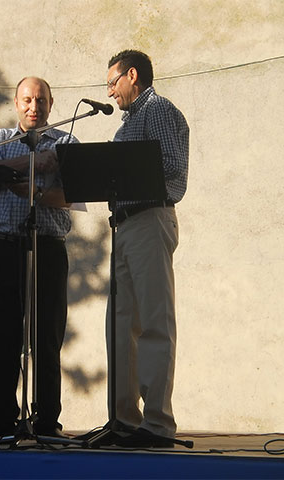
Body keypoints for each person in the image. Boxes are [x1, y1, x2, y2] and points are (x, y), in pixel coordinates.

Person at [0, 76, 77, 438]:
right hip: (5, 248)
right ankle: (2, 422)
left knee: (48, 339)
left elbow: (72, 196)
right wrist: (42, 161)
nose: (34, 107)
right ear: (16, 103)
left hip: (49, 247)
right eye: (27, 100)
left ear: (51, 104)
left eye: (41, 100)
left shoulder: (67, 142)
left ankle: (48, 422)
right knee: (2, 339)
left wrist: (29, 187)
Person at [104, 50, 189, 448]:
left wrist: (128, 177)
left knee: (154, 323)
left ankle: (156, 424)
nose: (109, 91)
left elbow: (171, 167)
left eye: (112, 82)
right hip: (123, 226)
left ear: (131, 75)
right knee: (121, 327)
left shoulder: (158, 110)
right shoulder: (127, 124)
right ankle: (123, 422)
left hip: (150, 219)